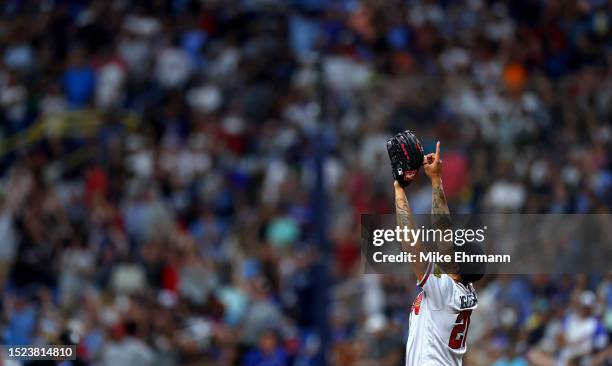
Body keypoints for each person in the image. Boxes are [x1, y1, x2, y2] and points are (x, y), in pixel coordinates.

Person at [393, 141, 486, 365]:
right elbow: (443, 230)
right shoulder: (463, 286)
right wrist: (436, 180)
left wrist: (399, 190)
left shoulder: (444, 288)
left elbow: (411, 243)